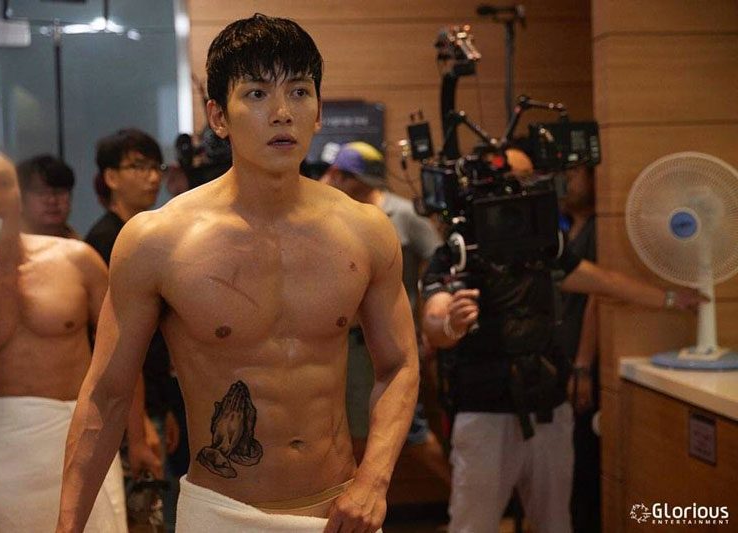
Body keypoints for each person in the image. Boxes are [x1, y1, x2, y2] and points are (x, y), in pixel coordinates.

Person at [57, 14, 419, 533]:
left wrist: (374, 481)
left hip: (341, 512)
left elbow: (400, 365)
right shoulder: (157, 241)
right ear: (218, 116)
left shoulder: (365, 230)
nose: (282, 113)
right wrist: (68, 526)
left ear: (319, 113)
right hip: (221, 513)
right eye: (256, 94)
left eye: (299, 92)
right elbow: (106, 395)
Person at [420, 149, 705, 533]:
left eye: (528, 181)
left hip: (549, 410)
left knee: (556, 523)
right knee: (473, 527)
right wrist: (452, 323)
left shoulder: (543, 248)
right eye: (511, 183)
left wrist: (671, 298)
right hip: (485, 414)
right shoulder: (458, 253)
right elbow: (434, 321)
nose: (520, 192)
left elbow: (603, 282)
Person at [0, 148, 148, 532]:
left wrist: (138, 436)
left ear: (17, 194)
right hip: (9, 446)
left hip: (84, 432)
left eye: (3, 184)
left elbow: (122, 352)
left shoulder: (77, 259)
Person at [321, 141, 450, 488]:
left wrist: (432, 319)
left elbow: (441, 264)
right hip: (346, 346)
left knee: (412, 432)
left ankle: (460, 500)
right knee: (347, 436)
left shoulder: (403, 214)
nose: (364, 190)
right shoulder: (326, 213)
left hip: (391, 339)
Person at [85, 128, 181, 530]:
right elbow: (115, 348)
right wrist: (138, 428)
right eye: (138, 167)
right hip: (126, 410)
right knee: (144, 517)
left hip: (153, 398)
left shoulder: (144, 235)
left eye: (156, 166)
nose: (153, 177)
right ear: (111, 177)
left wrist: (163, 407)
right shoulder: (107, 241)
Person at [556, 162, 601, 533]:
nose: (565, 182)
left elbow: (596, 300)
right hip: (563, 360)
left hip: (582, 366)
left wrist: (583, 365)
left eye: (573, 175)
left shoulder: (599, 229)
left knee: (585, 465)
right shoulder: (566, 229)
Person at [17, 153, 80, 239]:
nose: (52, 200)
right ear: (21, 199)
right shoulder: (4, 243)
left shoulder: (79, 244)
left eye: (59, 192)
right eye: (41, 193)